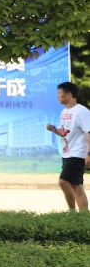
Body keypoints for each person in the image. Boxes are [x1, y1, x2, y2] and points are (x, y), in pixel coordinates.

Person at [46, 82, 90, 212]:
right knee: (76, 186)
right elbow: (63, 132)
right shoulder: (64, 112)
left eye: (59, 93)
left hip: (78, 154)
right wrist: (53, 129)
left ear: (69, 94)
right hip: (67, 153)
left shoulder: (82, 112)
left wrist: (88, 154)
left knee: (63, 182)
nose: (57, 96)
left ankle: (72, 213)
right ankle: (84, 217)